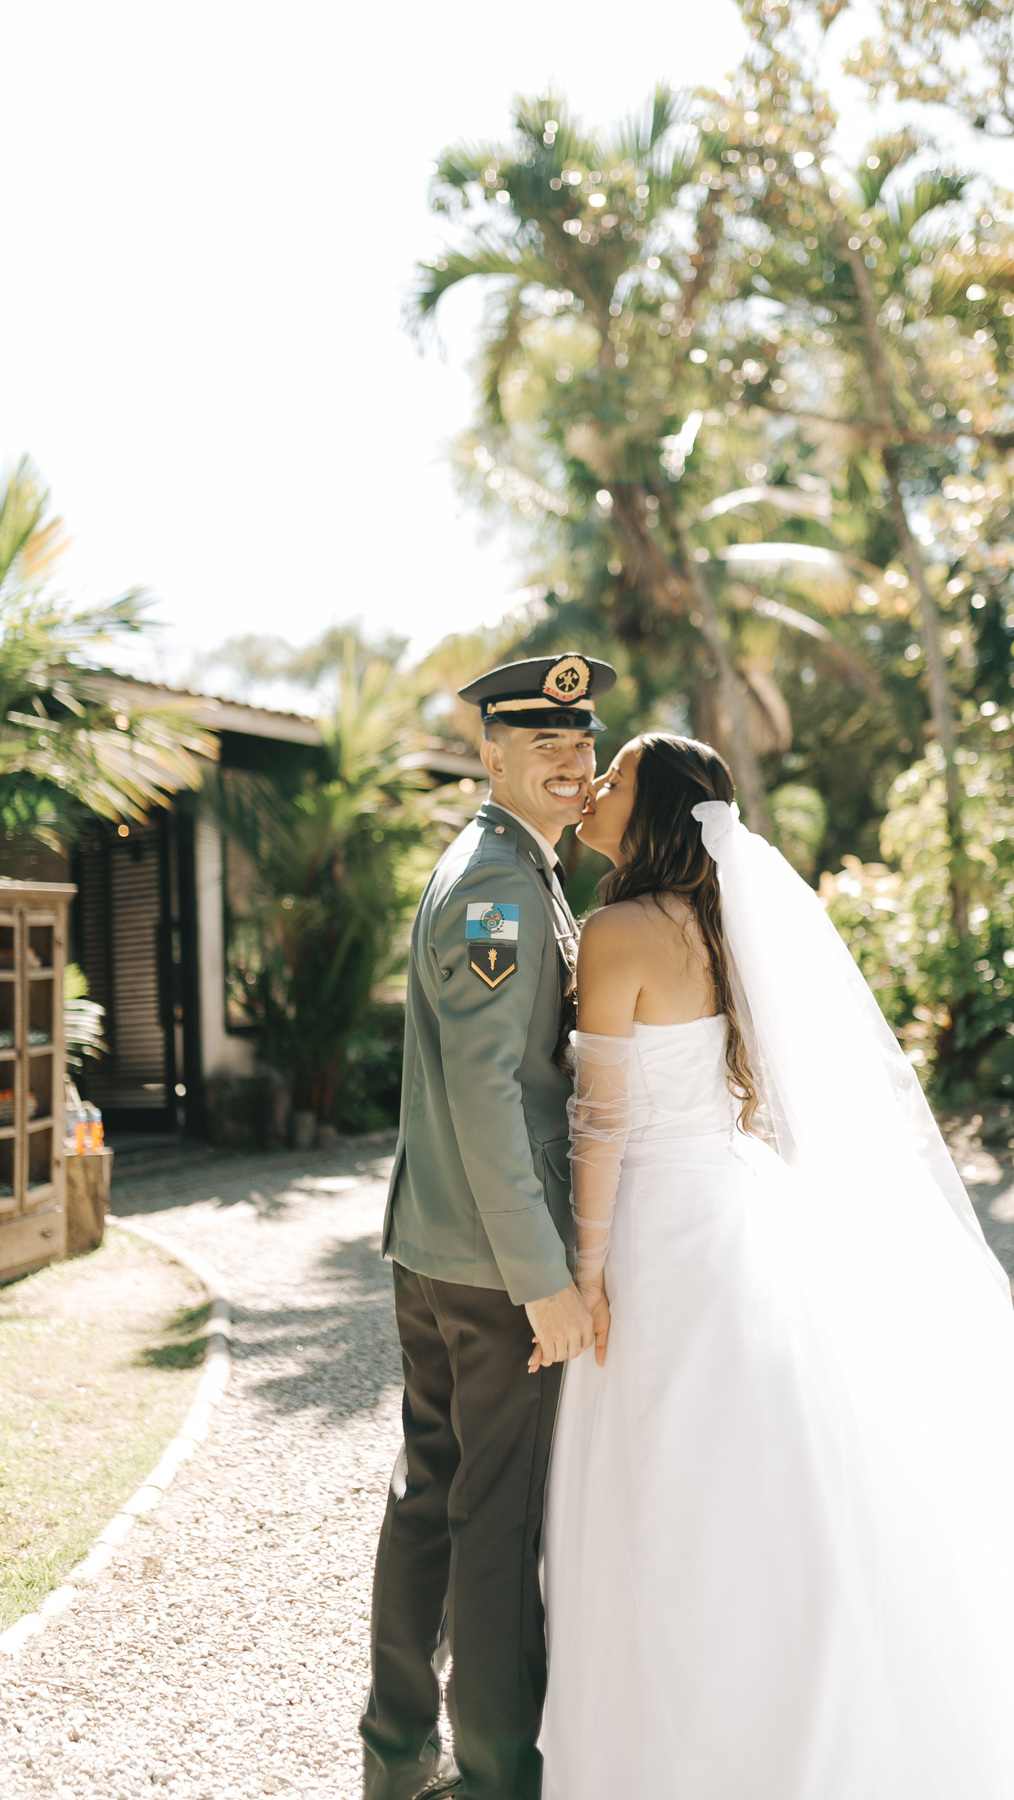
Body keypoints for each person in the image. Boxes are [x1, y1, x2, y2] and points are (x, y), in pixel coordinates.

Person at [539, 731, 1014, 1800]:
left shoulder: (618, 931)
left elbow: (602, 1120)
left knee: (670, 1480)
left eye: (613, 777)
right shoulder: (717, 923)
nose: (594, 788)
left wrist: (587, 1270)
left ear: (651, 811)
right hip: (731, 1206)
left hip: (661, 1227)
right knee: (760, 1472)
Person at [361, 653, 617, 1800]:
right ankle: (498, 1778)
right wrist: (542, 1278)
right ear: (491, 754)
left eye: (582, 743)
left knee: (430, 1499)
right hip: (490, 1267)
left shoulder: (513, 867)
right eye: (544, 744)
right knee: (495, 1527)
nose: (571, 762)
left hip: (440, 1247)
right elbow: (485, 1092)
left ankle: (396, 1758)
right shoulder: (500, 889)